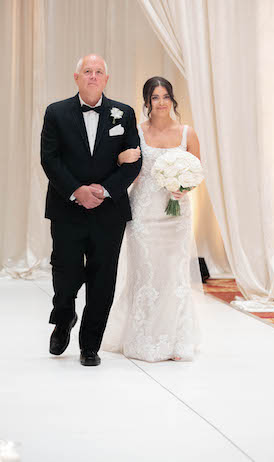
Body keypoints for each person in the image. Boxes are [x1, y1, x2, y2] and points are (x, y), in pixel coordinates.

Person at [40, 54, 142, 366]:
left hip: (108, 211)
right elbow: (50, 159)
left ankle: (90, 345)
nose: (93, 76)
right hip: (66, 207)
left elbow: (134, 159)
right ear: (76, 77)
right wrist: (77, 191)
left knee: (103, 279)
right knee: (65, 272)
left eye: (99, 72)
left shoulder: (123, 113)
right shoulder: (56, 112)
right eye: (88, 71)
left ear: (106, 79)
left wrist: (104, 189)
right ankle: (64, 316)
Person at [103, 76, 203, 362]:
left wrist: (182, 188)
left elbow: (196, 171)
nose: (161, 102)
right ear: (147, 102)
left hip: (176, 214)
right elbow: (126, 168)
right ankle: (143, 337)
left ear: (173, 100)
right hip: (144, 214)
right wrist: (121, 160)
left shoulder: (187, 133)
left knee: (173, 273)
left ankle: (174, 340)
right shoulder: (137, 131)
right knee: (146, 273)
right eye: (155, 97)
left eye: (165, 96)